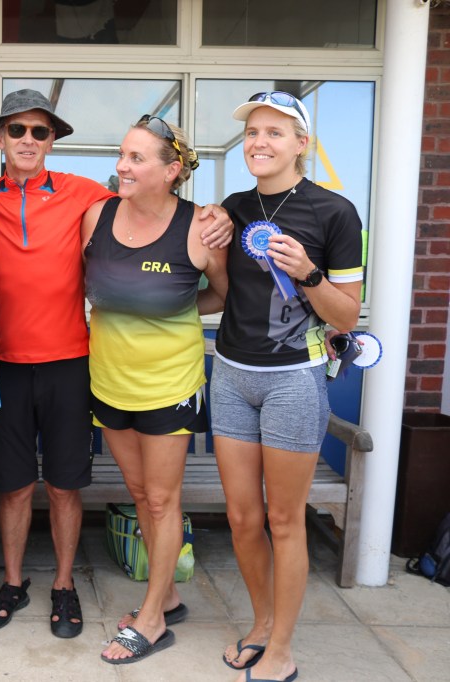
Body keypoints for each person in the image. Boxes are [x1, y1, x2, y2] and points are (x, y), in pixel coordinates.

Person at [0, 89, 233, 638]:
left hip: (74, 364)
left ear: (52, 140)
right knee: (13, 487)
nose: (27, 140)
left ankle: (65, 586)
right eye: (16, 130)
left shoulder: (87, 197)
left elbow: (168, 211)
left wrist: (220, 215)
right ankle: (14, 583)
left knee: (68, 486)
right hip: (5, 363)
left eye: (39, 131)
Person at [213, 92, 362, 682]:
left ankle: (281, 648)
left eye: (275, 132)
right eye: (253, 132)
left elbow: (345, 315)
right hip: (230, 373)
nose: (260, 142)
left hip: (293, 382)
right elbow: (223, 289)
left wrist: (309, 273)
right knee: (241, 518)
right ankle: (261, 623)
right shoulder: (235, 207)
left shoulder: (335, 213)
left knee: (283, 519)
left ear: (302, 143)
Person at [83, 116, 228, 664]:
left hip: (169, 385)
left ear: (171, 171)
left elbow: (222, 295)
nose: (122, 166)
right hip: (109, 382)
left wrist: (170, 306)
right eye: (122, 154)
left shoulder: (200, 227)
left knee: (164, 499)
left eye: (137, 158)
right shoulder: (97, 215)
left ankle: (152, 620)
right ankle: (166, 595)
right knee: (142, 494)